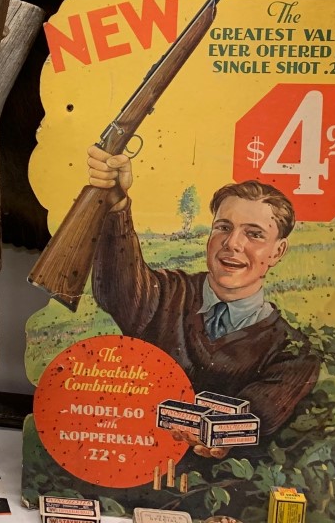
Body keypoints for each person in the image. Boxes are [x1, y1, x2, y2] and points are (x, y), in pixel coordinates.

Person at [88, 146, 319, 450]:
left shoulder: (294, 352)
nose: (232, 244)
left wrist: (219, 437)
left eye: (254, 234)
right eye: (223, 227)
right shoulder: (167, 292)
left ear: (278, 251)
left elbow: (258, 416)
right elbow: (117, 290)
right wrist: (117, 206)